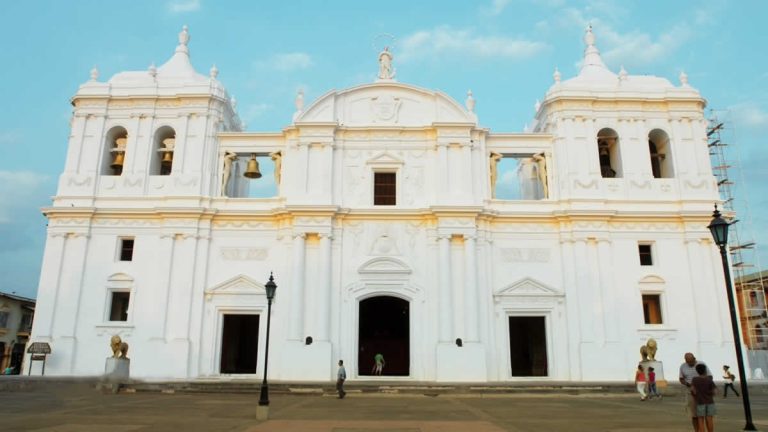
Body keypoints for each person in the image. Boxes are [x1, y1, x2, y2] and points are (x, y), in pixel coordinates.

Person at [680, 352, 712, 431]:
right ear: (685, 360)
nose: (690, 363)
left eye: (691, 361)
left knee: (704, 416)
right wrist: (688, 385)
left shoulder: (701, 364)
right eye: (688, 362)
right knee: (694, 415)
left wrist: (704, 386)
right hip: (691, 393)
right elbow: (681, 379)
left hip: (703, 393)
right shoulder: (683, 366)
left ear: (694, 358)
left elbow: (710, 376)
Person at [691, 363, 716, 432]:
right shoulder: (709, 380)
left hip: (700, 402)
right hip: (710, 402)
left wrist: (695, 396)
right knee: (709, 419)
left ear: (697, 371)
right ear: (705, 370)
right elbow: (714, 392)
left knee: (700, 419)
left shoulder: (694, 380)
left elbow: (693, 390)